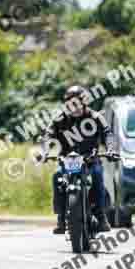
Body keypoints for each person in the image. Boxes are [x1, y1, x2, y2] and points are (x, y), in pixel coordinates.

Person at [38, 85, 113, 235]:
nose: (74, 107)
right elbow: (47, 135)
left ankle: (100, 215)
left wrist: (110, 149)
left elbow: (107, 133)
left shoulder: (95, 117)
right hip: (67, 161)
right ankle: (60, 217)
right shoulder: (60, 119)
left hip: (90, 159)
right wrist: (45, 152)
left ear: (84, 102)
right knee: (57, 176)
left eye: (76, 103)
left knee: (97, 175)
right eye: (70, 104)